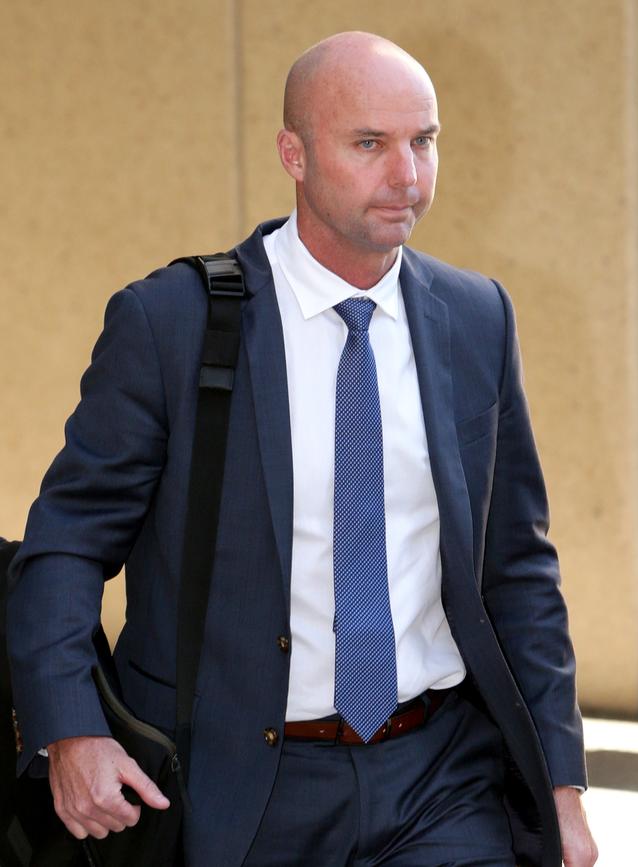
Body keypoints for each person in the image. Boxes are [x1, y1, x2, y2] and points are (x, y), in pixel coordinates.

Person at [7, 31, 597, 867]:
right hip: (239, 787)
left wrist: (561, 788)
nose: (408, 175)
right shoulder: (169, 323)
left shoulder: (477, 318)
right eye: (370, 144)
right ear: (295, 152)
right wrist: (70, 730)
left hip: (439, 775)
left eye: (423, 141)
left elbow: (518, 569)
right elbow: (64, 546)